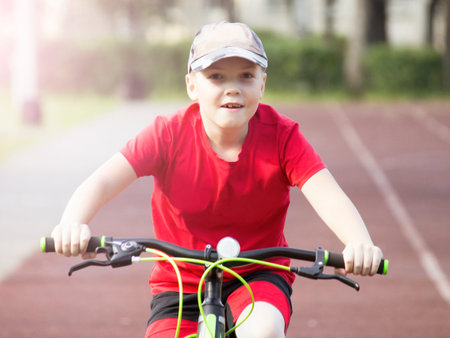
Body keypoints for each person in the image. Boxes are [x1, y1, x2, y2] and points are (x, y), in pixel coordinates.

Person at [51, 22, 383, 338]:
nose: (233, 87)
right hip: (180, 281)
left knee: (264, 329)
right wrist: (72, 223)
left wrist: (359, 242)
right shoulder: (167, 134)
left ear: (262, 85)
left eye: (246, 75)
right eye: (216, 76)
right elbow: (102, 181)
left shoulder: (283, 136)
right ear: (192, 86)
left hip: (257, 274)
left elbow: (327, 194)